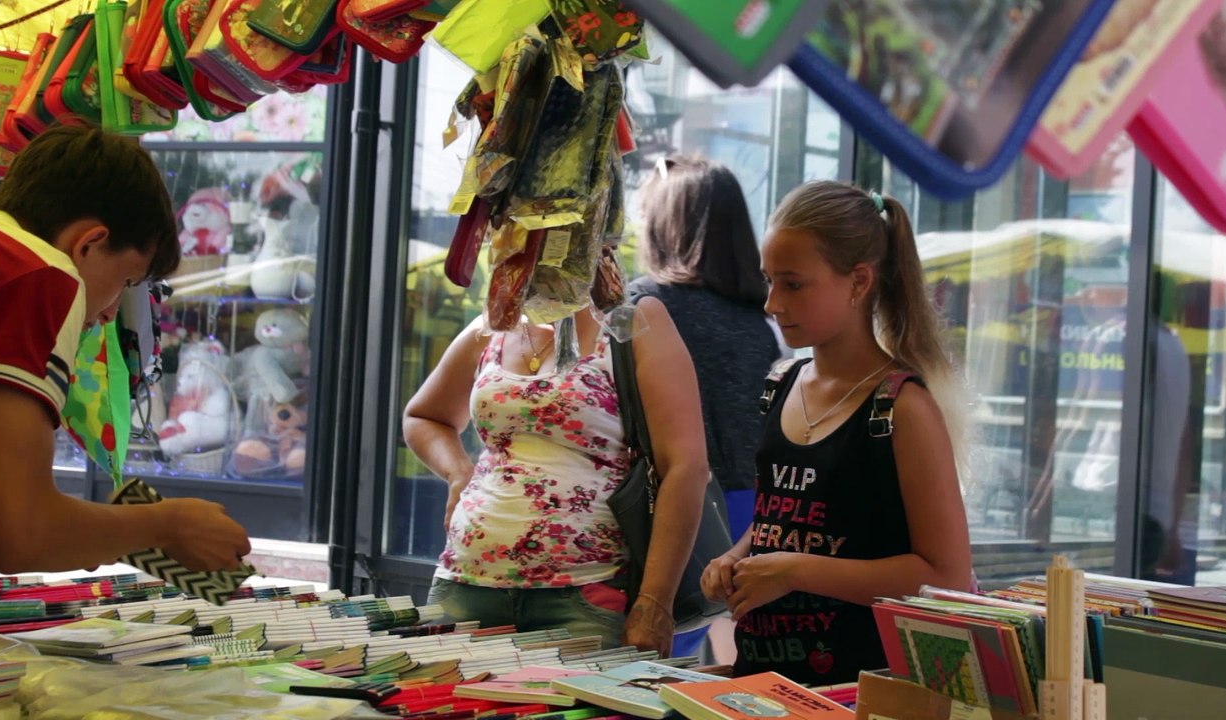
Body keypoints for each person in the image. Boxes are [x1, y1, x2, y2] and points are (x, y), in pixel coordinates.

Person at [701, 181, 972, 685]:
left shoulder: (902, 407)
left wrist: (795, 571)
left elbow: (947, 577)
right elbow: (793, 519)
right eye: (768, 281)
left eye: (793, 284)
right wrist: (739, 557)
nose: (771, 303)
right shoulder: (781, 382)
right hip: (760, 679)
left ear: (859, 282)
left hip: (859, 687)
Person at [0, 125, 252, 574]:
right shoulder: (41, 275)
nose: (110, 315)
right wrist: (170, 524)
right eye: (127, 283)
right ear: (88, 243)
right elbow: (20, 535)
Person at [403, 302, 708, 656]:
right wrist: (459, 474)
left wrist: (655, 602)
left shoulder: (631, 321)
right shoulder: (493, 325)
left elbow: (686, 467)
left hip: (585, 595)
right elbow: (425, 417)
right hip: (464, 584)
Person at [628, 155, 783, 660]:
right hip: (746, 512)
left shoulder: (640, 308)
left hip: (672, 511)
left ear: (663, 224)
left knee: (647, 670)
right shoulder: (762, 323)